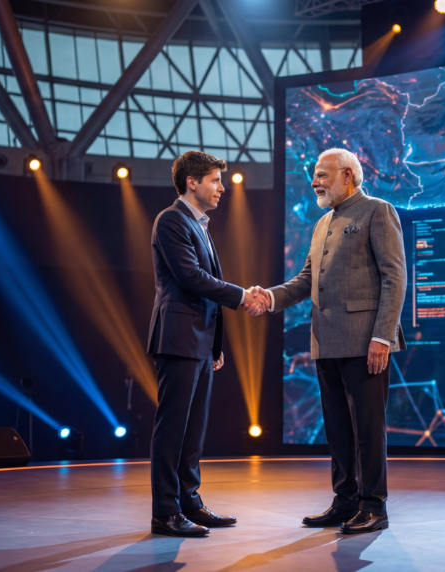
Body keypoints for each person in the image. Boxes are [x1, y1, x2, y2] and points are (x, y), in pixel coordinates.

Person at [249, 148, 406, 534]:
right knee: (338, 429)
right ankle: (345, 501)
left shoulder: (378, 210)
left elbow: (395, 278)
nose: (315, 181)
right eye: (315, 175)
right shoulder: (322, 224)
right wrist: (268, 297)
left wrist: (383, 337)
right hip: (326, 343)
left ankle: (373, 506)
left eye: (322, 175)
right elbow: (305, 280)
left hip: (366, 342)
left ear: (348, 175)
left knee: (368, 430)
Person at [146, 151, 268, 537]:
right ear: (192, 182)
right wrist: (243, 294)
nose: (221, 188)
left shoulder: (200, 224)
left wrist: (215, 347)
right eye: (215, 180)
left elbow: (204, 290)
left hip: (198, 343)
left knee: (193, 431)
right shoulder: (171, 220)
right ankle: (165, 513)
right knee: (173, 430)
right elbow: (191, 278)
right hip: (178, 340)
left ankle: (190, 504)